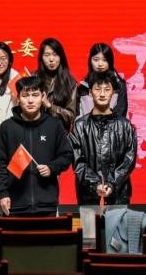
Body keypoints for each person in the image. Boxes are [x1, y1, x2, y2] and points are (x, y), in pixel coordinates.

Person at [0, 75, 74, 217]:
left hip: (46, 204)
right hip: (14, 205)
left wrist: (52, 168)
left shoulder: (54, 125)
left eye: (35, 95)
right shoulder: (7, 127)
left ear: (43, 97)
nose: (30, 100)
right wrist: (2, 193)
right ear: (18, 98)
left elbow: (67, 155)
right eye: (25, 96)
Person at [70, 72, 138, 206]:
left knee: (117, 220)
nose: (102, 94)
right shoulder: (79, 126)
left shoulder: (125, 126)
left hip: (119, 195)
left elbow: (129, 160)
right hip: (88, 195)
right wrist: (95, 184)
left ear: (113, 93)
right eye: (97, 89)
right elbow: (78, 162)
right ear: (90, 93)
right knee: (90, 221)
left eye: (107, 89)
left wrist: (111, 184)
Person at [36, 38, 79, 132]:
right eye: (46, 55)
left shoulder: (70, 83)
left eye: (55, 54)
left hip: (58, 133)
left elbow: (71, 116)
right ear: (41, 57)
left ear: (61, 57)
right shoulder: (32, 77)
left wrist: (50, 107)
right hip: (35, 131)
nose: (51, 59)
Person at [76, 43, 129, 118]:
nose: (100, 64)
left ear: (110, 62)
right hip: (87, 125)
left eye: (105, 60)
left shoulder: (119, 85)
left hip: (114, 125)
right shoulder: (83, 87)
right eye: (96, 60)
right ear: (90, 61)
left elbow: (121, 111)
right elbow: (78, 115)